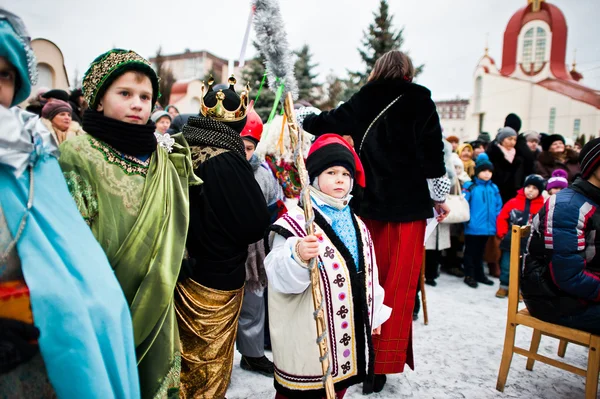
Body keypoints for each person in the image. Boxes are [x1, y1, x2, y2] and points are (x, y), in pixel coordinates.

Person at [0, 11, 139, 397]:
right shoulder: (67, 150)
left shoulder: (31, 155)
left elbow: (77, 257)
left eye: (3, 75)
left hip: (43, 352)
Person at [298, 50, 449, 393]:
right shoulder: (421, 98)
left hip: (368, 207)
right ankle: (382, 365)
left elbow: (325, 122)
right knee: (397, 286)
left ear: (378, 69)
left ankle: (360, 359)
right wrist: (439, 198)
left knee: (366, 283)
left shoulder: (366, 97)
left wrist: (302, 113)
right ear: (408, 71)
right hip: (409, 210)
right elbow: (433, 156)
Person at [59, 48, 198, 398]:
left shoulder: (160, 155)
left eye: (146, 97)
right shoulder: (79, 152)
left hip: (157, 292)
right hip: (103, 298)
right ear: (98, 100)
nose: (138, 104)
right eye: (125, 94)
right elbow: (72, 235)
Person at [264, 134, 391, 399]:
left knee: (337, 387)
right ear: (313, 177)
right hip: (309, 336)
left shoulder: (358, 223)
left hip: (346, 335)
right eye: (331, 172)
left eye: (346, 173)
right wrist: (297, 255)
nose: (340, 179)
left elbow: (368, 273)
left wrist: (374, 312)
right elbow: (276, 273)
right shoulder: (297, 223)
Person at [177, 75, 270, 398]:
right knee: (207, 363)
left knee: (181, 358)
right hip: (216, 276)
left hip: (179, 269)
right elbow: (253, 223)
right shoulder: (228, 159)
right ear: (240, 121)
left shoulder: (181, 144)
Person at [522, 138, 600, 335]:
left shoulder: (594, 199)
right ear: (594, 165)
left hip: (577, 290)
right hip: (552, 298)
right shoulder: (569, 207)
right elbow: (568, 277)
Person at [236, 107, 282, 375]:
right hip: (225, 249)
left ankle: (252, 353)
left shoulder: (264, 175)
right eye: (239, 145)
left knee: (254, 301)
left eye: (249, 147)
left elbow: (273, 208)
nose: (244, 152)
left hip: (255, 250)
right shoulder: (219, 168)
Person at [495, 175, 545, 298]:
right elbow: (502, 217)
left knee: (524, 268)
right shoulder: (513, 202)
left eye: (534, 188)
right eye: (528, 187)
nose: (530, 190)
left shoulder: (542, 206)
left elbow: (544, 224)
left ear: (540, 191)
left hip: (529, 244)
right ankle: (504, 286)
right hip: (510, 240)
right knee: (507, 265)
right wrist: (502, 233)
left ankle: (520, 290)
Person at [462, 153, 503, 288]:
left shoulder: (493, 188)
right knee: (470, 251)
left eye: (489, 171)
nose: (487, 174)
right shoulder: (470, 186)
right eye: (484, 171)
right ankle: (469, 274)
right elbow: (464, 204)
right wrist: (468, 220)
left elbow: (498, 205)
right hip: (473, 226)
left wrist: (496, 220)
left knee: (481, 252)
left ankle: (480, 274)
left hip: (488, 226)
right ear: (478, 172)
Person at [486, 126, 527, 204]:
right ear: (501, 139)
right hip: (498, 192)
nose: (512, 142)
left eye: (514, 139)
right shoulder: (493, 154)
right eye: (509, 139)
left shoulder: (518, 156)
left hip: (514, 194)